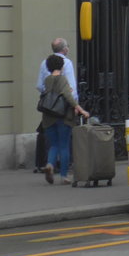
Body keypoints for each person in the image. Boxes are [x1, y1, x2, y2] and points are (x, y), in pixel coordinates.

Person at [39, 54, 90, 185]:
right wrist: (81, 109)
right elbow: (68, 96)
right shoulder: (63, 80)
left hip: (48, 116)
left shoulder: (47, 80)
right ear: (61, 66)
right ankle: (64, 175)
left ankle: (50, 164)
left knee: (54, 144)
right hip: (63, 116)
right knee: (64, 145)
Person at [35, 38, 77, 173]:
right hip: (63, 108)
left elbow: (39, 86)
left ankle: (49, 163)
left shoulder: (44, 63)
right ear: (64, 49)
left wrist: (50, 96)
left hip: (48, 108)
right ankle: (64, 171)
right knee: (64, 141)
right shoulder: (67, 63)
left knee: (52, 141)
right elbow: (71, 89)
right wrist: (75, 105)